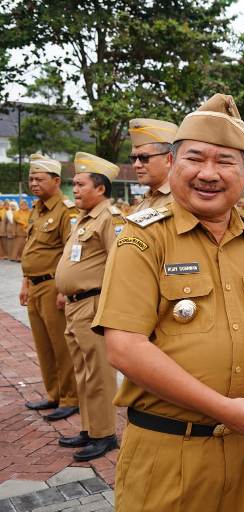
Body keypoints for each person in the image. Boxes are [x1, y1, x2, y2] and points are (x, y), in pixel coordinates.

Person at [93, 94, 244, 511]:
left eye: (225, 162)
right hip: (168, 451)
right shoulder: (142, 239)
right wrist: (223, 409)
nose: (208, 174)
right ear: (173, 163)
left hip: (243, 449)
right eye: (195, 159)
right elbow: (124, 348)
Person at [55, 152, 122, 461]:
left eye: (81, 184)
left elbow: (119, 266)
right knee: (83, 371)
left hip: (93, 304)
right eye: (74, 184)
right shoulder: (83, 217)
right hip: (74, 305)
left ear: (100, 188)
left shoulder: (109, 218)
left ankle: (105, 434)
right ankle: (89, 427)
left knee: (98, 373)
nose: (75, 189)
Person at [19, 154, 79, 421]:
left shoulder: (66, 211)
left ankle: (70, 398)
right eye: (31, 178)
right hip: (34, 285)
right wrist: (25, 282)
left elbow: (71, 252)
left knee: (61, 345)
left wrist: (64, 290)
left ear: (56, 181)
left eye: (39, 179)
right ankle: (54, 394)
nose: (33, 183)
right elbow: (31, 248)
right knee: (43, 345)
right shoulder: (37, 209)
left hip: (53, 286)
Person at [128, 118, 178, 212]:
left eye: (144, 158)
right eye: (133, 158)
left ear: (169, 159)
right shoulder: (144, 202)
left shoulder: (182, 201)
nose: (136, 165)